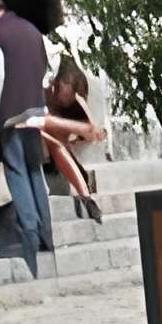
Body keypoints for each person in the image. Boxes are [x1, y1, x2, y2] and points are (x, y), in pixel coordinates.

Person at [0, 0, 56, 273]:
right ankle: (47, 232)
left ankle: (30, 232)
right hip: (36, 110)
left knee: (16, 169)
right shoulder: (33, 31)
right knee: (35, 170)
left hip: (11, 115)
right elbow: (51, 66)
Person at [42, 55, 106, 222]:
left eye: (68, 100)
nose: (63, 102)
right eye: (62, 98)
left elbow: (90, 133)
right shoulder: (42, 89)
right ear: (55, 84)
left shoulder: (74, 97)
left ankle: (83, 192)